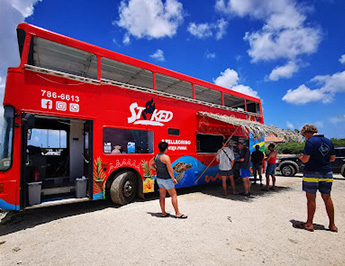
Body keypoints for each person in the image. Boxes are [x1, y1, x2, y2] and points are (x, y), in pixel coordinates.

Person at [298, 124, 337, 232]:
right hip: (327, 172)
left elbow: (305, 160)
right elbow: (332, 158)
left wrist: (300, 157)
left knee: (311, 199)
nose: (304, 137)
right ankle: (332, 225)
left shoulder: (310, 142)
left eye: (303, 135)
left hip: (311, 172)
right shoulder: (329, 141)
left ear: (307, 132)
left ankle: (309, 224)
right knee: (327, 198)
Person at [149, 142, 187, 219]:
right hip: (167, 179)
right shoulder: (166, 157)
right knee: (173, 195)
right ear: (166, 149)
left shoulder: (156, 157)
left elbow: (150, 164)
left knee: (162, 196)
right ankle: (177, 213)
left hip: (159, 179)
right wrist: (173, 178)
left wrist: (156, 169)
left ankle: (163, 213)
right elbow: (170, 170)